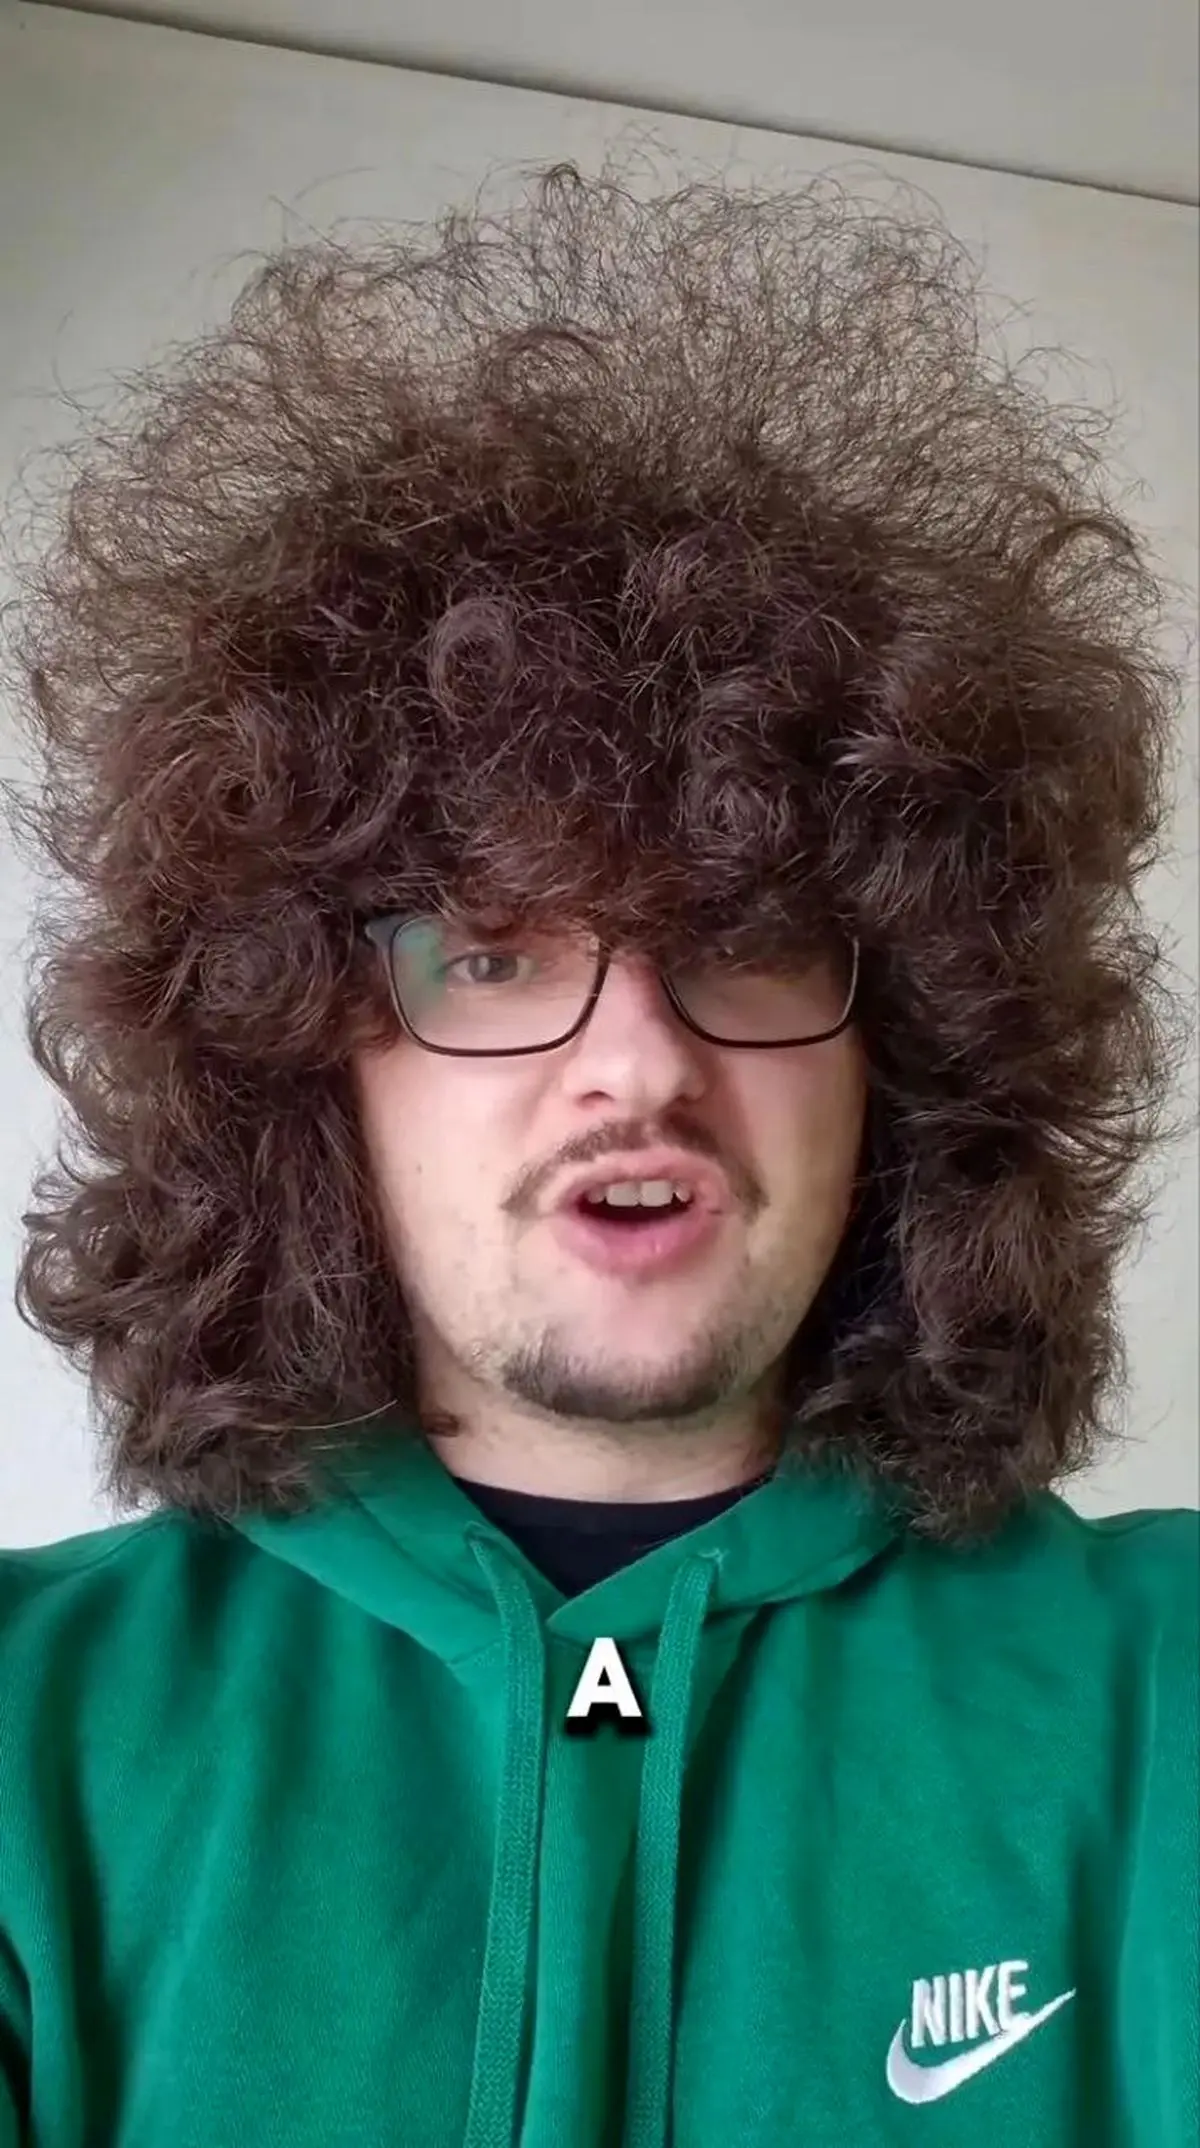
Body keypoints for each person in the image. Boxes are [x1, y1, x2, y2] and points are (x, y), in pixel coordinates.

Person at [0, 154, 1196, 2148]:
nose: (638, 1064)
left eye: (746, 942)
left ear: (911, 1049)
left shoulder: (1169, 1702)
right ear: (303, 1059)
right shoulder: (30, 1731)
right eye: (489, 955)